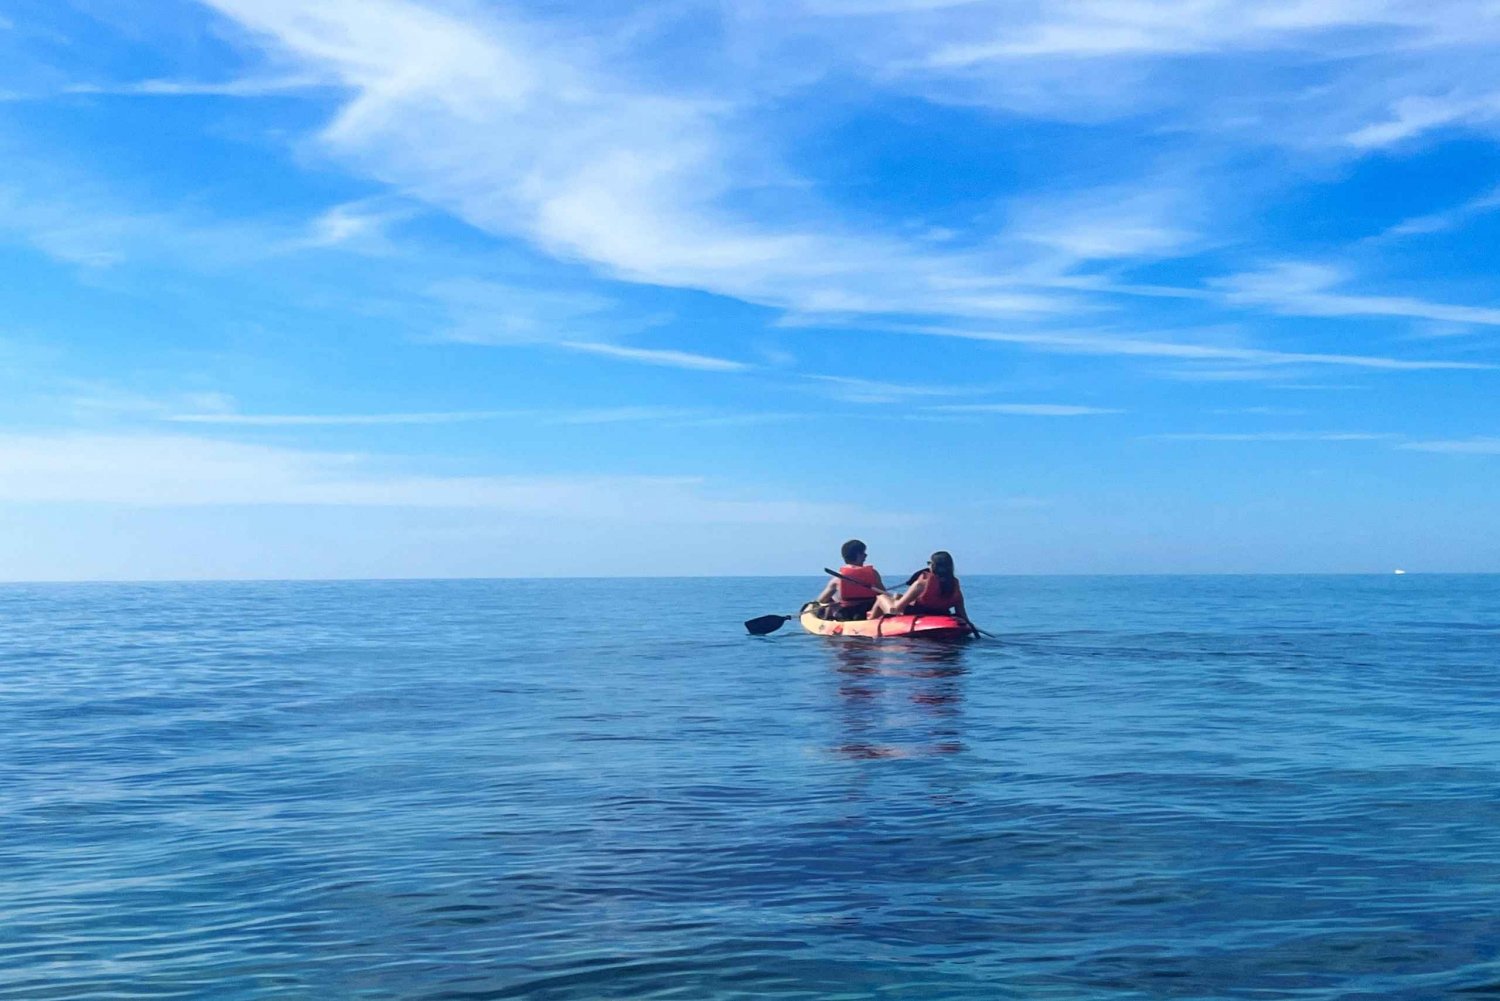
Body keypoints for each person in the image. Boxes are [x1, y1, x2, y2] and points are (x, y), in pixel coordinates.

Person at [871, 550, 968, 622]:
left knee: (881, 597)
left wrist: (892, 602)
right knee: (897, 596)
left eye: (929, 563)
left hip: (918, 615)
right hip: (941, 614)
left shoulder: (921, 584)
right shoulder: (954, 585)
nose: (928, 565)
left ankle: (870, 622)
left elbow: (897, 609)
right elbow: (962, 614)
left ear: (933, 566)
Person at [812, 539, 886, 620]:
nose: (866, 556)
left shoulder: (837, 578)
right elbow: (883, 593)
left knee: (830, 600)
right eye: (863, 553)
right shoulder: (873, 573)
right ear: (858, 555)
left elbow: (822, 600)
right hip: (868, 612)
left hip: (848, 615)